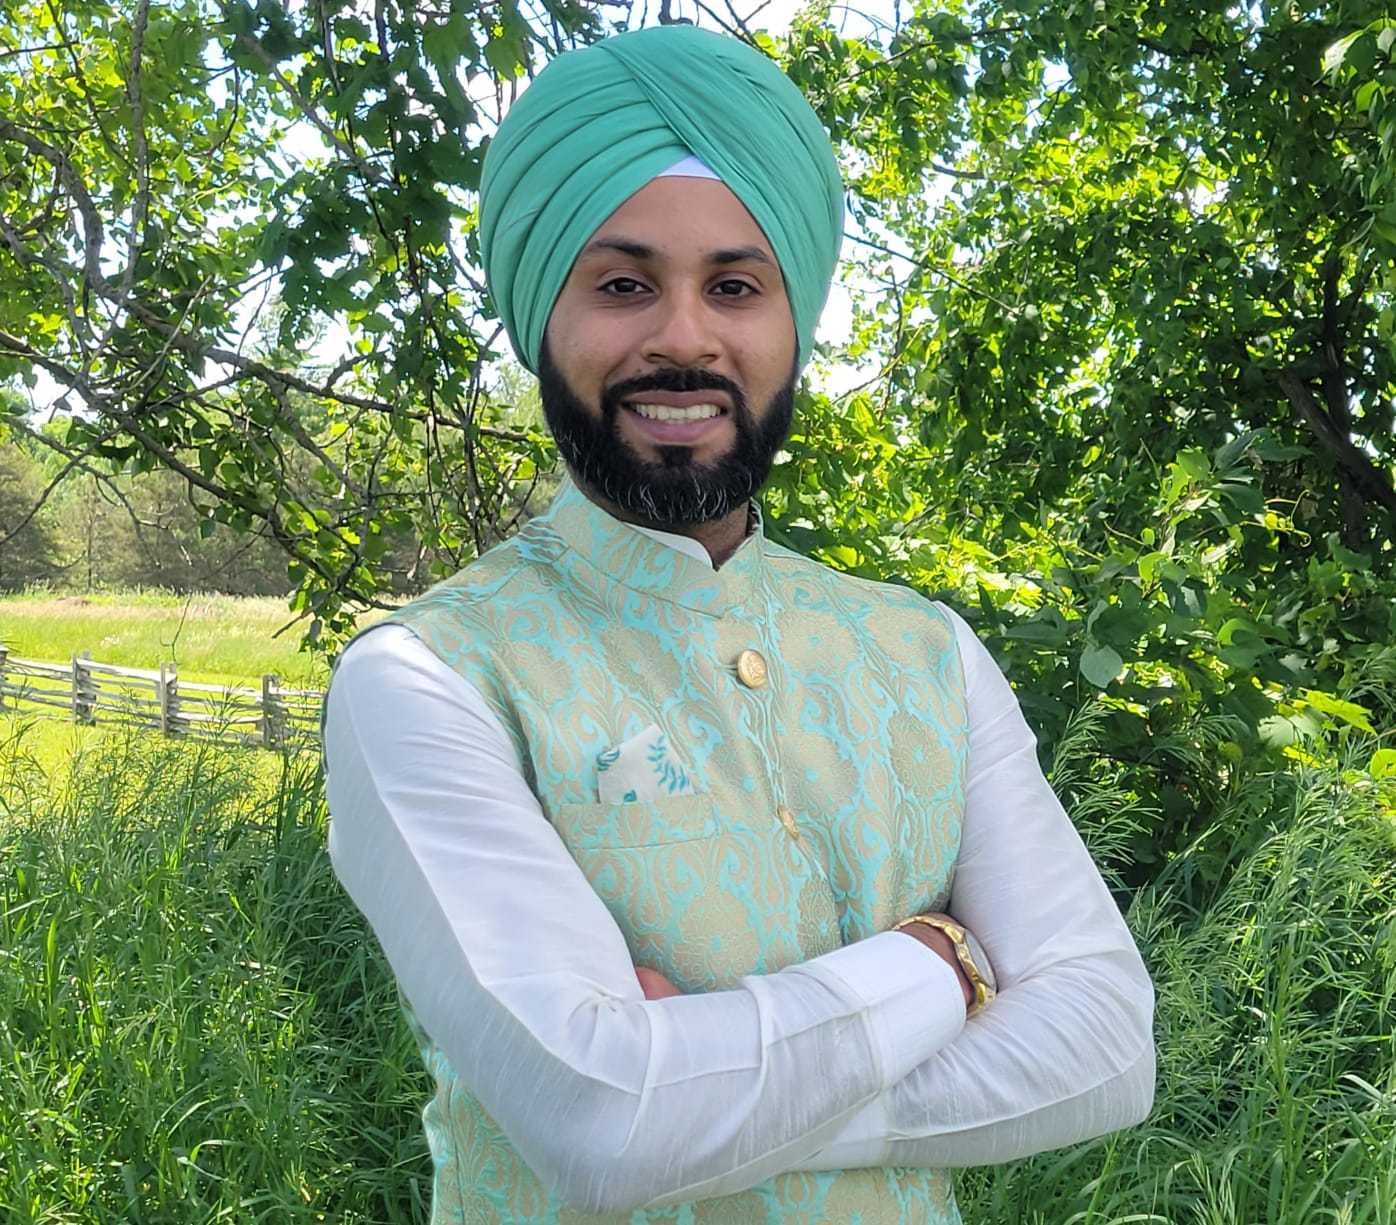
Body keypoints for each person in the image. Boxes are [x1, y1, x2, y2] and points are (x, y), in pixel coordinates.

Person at [324, 22, 1155, 1225]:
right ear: (540, 314)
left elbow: (1106, 1044)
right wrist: (945, 962)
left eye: (734, 286)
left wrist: (708, 1101)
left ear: (790, 320)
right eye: (622, 285)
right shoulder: (429, 675)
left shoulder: (926, 652)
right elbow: (602, 1122)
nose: (683, 337)